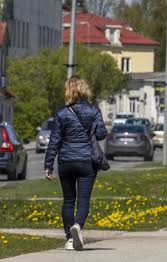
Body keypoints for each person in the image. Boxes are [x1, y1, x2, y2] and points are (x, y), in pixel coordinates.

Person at [44, 76, 107, 251]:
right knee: (84, 199)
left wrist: (48, 165)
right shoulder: (94, 111)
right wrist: (92, 129)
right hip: (87, 161)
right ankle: (78, 226)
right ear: (84, 89)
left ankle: (70, 240)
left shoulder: (62, 113)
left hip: (66, 162)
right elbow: (102, 134)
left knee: (68, 200)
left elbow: (54, 140)